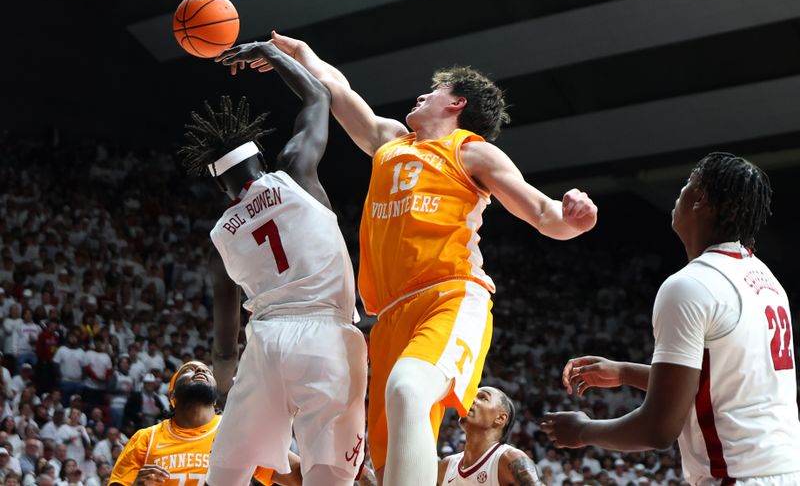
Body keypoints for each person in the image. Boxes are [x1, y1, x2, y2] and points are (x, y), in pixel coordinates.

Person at [246, 31, 597, 486]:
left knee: (409, 387)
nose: (422, 94)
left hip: (448, 296)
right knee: (393, 466)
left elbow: (542, 212)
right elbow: (337, 90)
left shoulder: (471, 151)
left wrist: (576, 219)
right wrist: (295, 54)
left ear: (458, 104)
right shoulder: (390, 140)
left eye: (435, 91)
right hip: (388, 317)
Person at [541, 152, 800, 485]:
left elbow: (658, 429)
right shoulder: (764, 278)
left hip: (736, 474)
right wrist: (623, 372)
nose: (680, 191)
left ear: (700, 200)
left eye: (689, 182)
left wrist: (582, 430)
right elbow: (718, 383)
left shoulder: (690, 284)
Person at [181, 39, 367, 486]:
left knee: (225, 474)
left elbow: (224, 347)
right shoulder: (296, 172)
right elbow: (319, 96)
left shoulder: (219, 238)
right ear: (261, 159)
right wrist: (270, 54)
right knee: (329, 475)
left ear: (222, 189)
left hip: (265, 342)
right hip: (329, 337)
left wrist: (229, 392)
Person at [109, 360, 300, 486]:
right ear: (173, 396)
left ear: (215, 399)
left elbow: (299, 475)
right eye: (188, 370)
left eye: (207, 371)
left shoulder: (238, 432)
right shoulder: (145, 438)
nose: (200, 370)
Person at [437, 387, 539, 485]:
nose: (471, 400)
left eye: (483, 397)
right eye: (472, 396)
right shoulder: (445, 467)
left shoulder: (509, 458)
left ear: (500, 418)